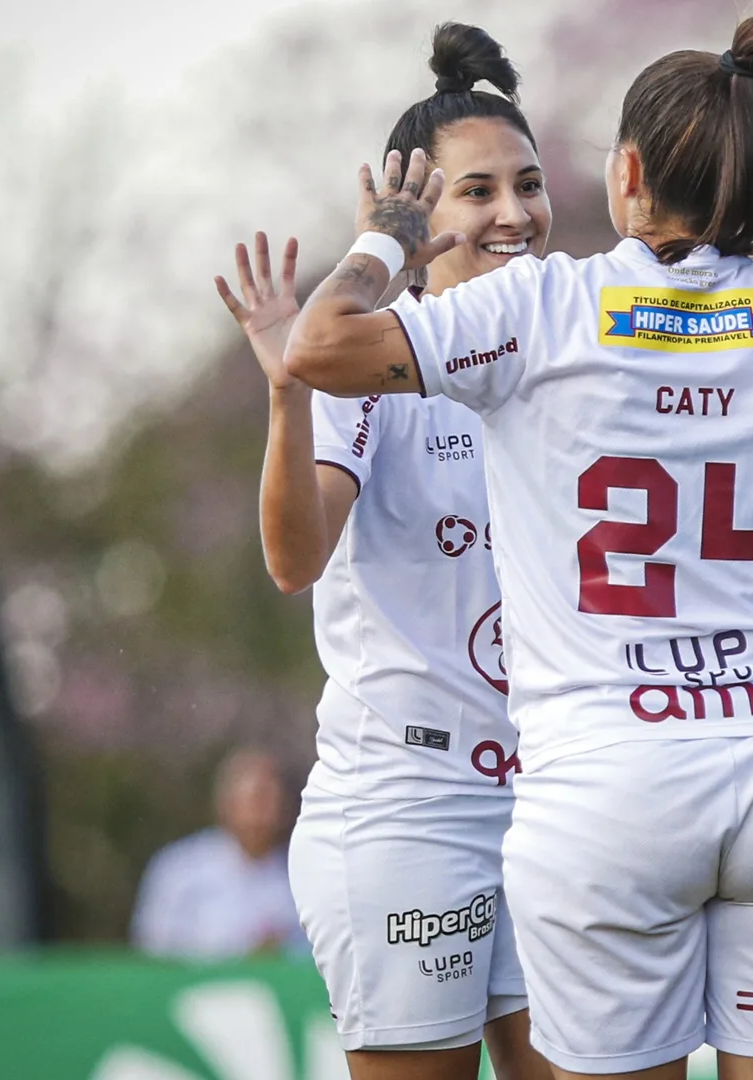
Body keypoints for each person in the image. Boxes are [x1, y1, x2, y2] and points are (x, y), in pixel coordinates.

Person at [282, 16, 753, 1080]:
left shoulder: (546, 304)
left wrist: (388, 237)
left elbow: (320, 347)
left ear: (628, 173)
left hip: (611, 788)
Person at [214, 23, 553, 1080]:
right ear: (415, 218)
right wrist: (288, 393)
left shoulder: (570, 344)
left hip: (559, 798)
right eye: (478, 191)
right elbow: (294, 557)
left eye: (528, 185)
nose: (513, 214)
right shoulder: (368, 365)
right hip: (410, 806)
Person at [131, 746, 304, 959]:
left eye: (277, 799)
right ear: (227, 803)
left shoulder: (301, 872)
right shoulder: (180, 869)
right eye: (259, 799)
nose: (269, 811)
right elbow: (152, 949)